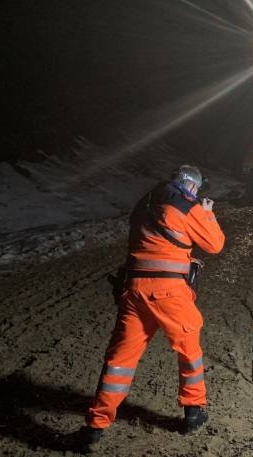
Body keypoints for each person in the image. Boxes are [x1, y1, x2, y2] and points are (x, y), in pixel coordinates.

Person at [78, 165, 225, 452]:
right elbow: (215, 244)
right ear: (192, 187)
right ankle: (194, 411)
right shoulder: (187, 206)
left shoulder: (144, 204)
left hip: (133, 290)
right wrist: (206, 212)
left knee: (119, 360)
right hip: (168, 292)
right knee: (189, 350)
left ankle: (95, 427)